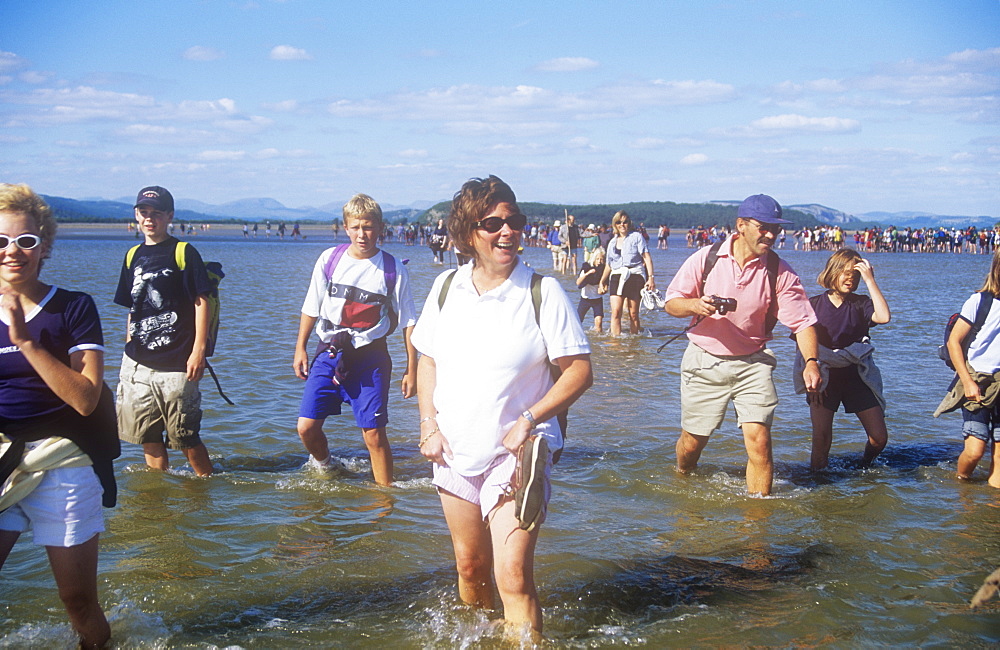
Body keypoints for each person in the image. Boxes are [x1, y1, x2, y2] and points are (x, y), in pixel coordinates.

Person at [412, 175, 592, 637]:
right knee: (471, 567)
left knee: (512, 575)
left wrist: (531, 419)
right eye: (493, 223)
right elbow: (426, 354)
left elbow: (579, 371)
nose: (507, 231)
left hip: (517, 454)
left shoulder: (541, 292)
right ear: (467, 232)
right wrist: (428, 424)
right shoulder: (446, 287)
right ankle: (483, 639)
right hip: (455, 448)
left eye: (515, 220)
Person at [0, 184, 115, 648]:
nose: (12, 251)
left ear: (44, 247)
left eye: (25, 241)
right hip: (4, 459)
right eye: (2, 240)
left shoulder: (73, 307)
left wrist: (26, 341)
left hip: (64, 462)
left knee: (78, 602)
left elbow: (86, 399)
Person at [663, 194, 822, 496]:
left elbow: (803, 322)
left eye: (775, 229)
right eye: (763, 227)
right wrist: (695, 304)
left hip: (754, 362)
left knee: (759, 440)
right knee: (692, 443)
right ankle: (682, 477)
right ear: (741, 225)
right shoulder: (706, 258)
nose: (771, 235)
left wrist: (812, 362)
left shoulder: (780, 270)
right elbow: (671, 303)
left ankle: (757, 529)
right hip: (704, 360)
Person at [293, 194, 417, 486]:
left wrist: (412, 369)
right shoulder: (329, 259)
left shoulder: (393, 269)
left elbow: (409, 321)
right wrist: (300, 348)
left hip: (370, 358)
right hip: (329, 353)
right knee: (306, 428)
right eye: (357, 227)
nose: (363, 234)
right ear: (346, 228)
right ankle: (326, 465)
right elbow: (311, 306)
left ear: (380, 228)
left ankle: (384, 500)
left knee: (374, 435)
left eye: (370, 227)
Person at [115, 186, 215, 476]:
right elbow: (131, 307)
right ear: (136, 215)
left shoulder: (184, 252)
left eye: (156, 214)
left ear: (169, 216)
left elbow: (201, 300)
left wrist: (198, 351)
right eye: (143, 213)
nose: (149, 219)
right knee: (146, 436)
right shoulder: (132, 255)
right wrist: (128, 345)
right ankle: (158, 495)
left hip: (177, 364)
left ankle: (205, 489)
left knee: (185, 438)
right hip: (137, 365)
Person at [797, 249, 891, 470]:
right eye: (845, 273)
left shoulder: (861, 303)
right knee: (821, 441)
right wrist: (812, 381)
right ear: (833, 271)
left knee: (879, 438)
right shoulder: (815, 304)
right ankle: (819, 485)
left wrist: (870, 279)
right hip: (824, 377)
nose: (850, 278)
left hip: (857, 376)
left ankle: (863, 467)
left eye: (855, 275)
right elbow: (802, 346)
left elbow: (884, 317)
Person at [934, 249, 1000, 488]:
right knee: (974, 451)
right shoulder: (980, 301)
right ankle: (963, 491)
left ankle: (988, 516)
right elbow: (954, 342)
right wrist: (967, 381)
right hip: (978, 381)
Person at [598, 210, 655, 336]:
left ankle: (634, 343)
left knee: (633, 313)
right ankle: (616, 344)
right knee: (616, 312)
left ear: (629, 223)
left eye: (625, 222)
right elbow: (609, 265)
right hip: (616, 276)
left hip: (635, 275)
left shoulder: (636, 237)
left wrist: (651, 278)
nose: (622, 225)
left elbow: (646, 257)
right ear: (615, 224)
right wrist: (602, 281)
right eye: (619, 222)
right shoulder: (612, 242)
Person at [576, 246, 606, 332]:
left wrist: (603, 290)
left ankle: (598, 341)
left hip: (597, 299)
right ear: (594, 259)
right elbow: (578, 282)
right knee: (578, 321)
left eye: (601, 259)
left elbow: (606, 286)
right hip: (585, 299)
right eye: (597, 259)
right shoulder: (586, 267)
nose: (599, 262)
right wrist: (588, 273)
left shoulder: (603, 270)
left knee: (599, 322)